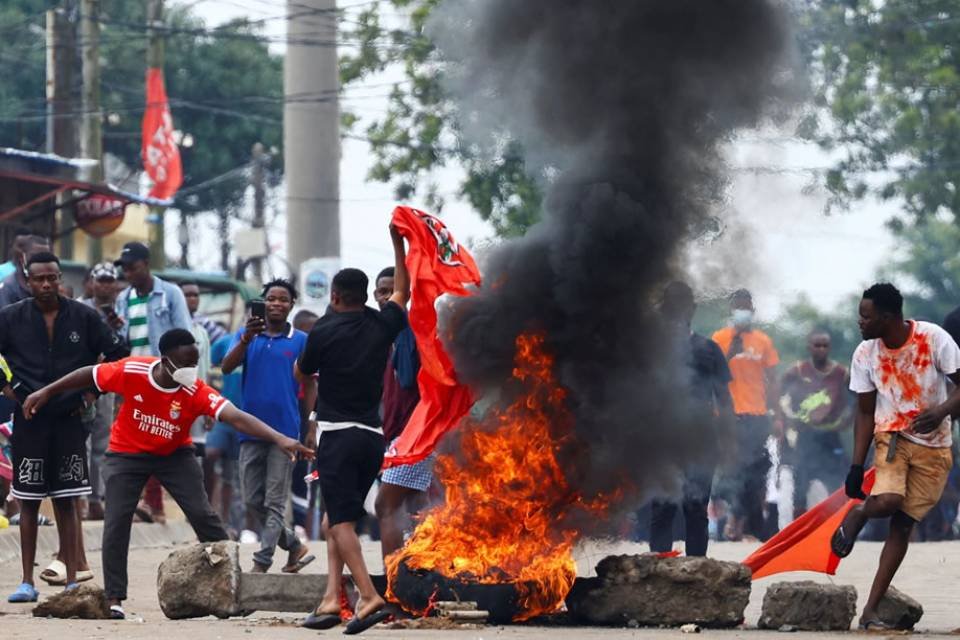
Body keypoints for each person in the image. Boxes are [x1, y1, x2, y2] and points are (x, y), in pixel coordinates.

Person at [21, 328, 314, 619]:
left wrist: (280, 438)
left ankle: (232, 585)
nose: (190, 370)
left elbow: (236, 416)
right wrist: (47, 391)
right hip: (127, 454)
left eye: (194, 363)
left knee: (203, 514)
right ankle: (114, 598)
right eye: (185, 363)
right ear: (164, 360)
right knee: (117, 521)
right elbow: (89, 374)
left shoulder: (195, 390)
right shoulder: (132, 370)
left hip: (174, 455)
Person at [297, 226, 409, 633]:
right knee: (333, 520)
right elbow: (401, 294)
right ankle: (330, 600)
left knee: (341, 521)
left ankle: (367, 596)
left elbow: (303, 371)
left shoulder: (322, 332)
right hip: (372, 438)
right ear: (365, 296)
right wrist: (399, 245)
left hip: (338, 436)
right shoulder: (382, 325)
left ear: (335, 296)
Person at [831, 283, 960, 630]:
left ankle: (870, 611)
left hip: (935, 446)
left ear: (888, 317)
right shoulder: (864, 354)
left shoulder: (933, 339)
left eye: (866, 316)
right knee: (887, 501)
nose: (860, 322)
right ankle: (860, 514)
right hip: (891, 437)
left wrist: (942, 411)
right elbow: (863, 412)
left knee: (902, 527)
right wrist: (856, 466)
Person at [2, 252, 128, 603]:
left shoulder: (84, 316)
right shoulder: (11, 318)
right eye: (39, 278)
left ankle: (73, 580)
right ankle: (26, 581)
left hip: (70, 419)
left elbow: (118, 354)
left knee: (67, 501)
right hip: (29, 420)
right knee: (27, 501)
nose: (46, 284)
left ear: (60, 279)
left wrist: (92, 392)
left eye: (52, 278)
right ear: (28, 280)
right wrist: (6, 388)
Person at [222, 280, 316, 573]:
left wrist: (310, 423)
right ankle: (293, 545)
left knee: (275, 501)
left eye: (283, 299)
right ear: (262, 303)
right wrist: (245, 339)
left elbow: (311, 382)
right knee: (252, 499)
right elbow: (226, 367)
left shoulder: (300, 340)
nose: (276, 304)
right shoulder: (248, 336)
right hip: (249, 429)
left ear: (291, 305)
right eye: (271, 299)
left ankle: (262, 562)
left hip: (286, 432)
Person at [648, 282, 733, 557]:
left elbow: (725, 399)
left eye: (682, 306)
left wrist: (728, 437)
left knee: (696, 508)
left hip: (701, 439)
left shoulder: (709, 349)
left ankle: (698, 570)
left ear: (692, 309)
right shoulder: (651, 351)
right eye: (671, 307)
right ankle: (658, 570)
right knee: (663, 506)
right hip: (663, 439)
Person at [114, 241, 192, 524]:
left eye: (133, 267)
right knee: (137, 439)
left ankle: (154, 503)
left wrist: (182, 377)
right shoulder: (123, 298)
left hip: (161, 378)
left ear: (145, 264)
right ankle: (150, 503)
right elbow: (122, 340)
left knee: (157, 437)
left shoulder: (169, 294)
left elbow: (184, 335)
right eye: (125, 269)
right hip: (133, 377)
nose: (129, 273)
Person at [711, 289, 780, 541]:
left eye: (747, 307)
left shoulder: (763, 341)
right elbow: (713, 373)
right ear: (731, 311)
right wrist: (732, 351)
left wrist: (778, 415)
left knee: (756, 471)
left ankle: (745, 525)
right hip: (728, 416)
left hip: (757, 415)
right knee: (731, 470)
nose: (743, 311)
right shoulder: (719, 338)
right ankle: (731, 521)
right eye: (738, 306)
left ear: (752, 311)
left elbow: (773, 380)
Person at [371, 266, 429, 560]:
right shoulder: (380, 336)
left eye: (394, 290)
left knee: (386, 506)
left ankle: (394, 580)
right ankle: (417, 575)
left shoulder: (414, 330)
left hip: (416, 435)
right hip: (393, 434)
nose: (387, 297)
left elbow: (407, 379)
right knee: (418, 509)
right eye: (382, 291)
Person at [778, 330, 852, 514]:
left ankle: (837, 530)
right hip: (805, 436)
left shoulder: (841, 373)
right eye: (817, 345)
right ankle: (799, 534)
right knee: (800, 486)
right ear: (809, 347)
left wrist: (848, 421)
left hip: (830, 436)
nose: (821, 349)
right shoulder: (797, 371)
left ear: (830, 348)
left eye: (825, 345)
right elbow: (776, 394)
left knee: (838, 486)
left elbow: (860, 399)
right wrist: (785, 419)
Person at [78, 262, 125, 521]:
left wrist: (117, 325)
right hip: (82, 380)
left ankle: (97, 498)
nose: (106, 285)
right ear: (92, 282)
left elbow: (124, 346)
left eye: (110, 280)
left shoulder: (121, 311)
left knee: (102, 442)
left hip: (107, 383)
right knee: (81, 440)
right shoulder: (79, 307)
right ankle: (82, 499)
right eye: (102, 279)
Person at [180, 281, 213, 456]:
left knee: (196, 454)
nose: (192, 299)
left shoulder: (202, 332)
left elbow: (205, 373)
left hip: (197, 404)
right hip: (175, 405)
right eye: (187, 295)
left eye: (195, 295)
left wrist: (208, 406)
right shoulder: (171, 329)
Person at [0, 234, 51, 307]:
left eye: (45, 256)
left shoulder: (51, 286)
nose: (40, 261)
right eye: (34, 256)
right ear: (22, 257)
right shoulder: (8, 288)